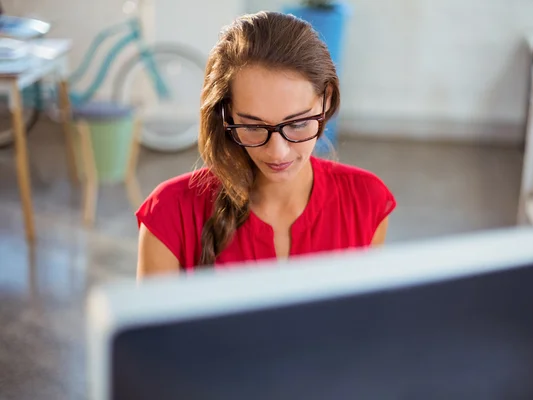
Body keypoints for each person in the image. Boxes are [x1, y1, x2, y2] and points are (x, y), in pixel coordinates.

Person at [136, 11, 396, 277]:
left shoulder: (366, 203)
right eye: (252, 126)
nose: (277, 152)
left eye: (297, 124)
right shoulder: (168, 215)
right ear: (226, 114)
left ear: (326, 100)